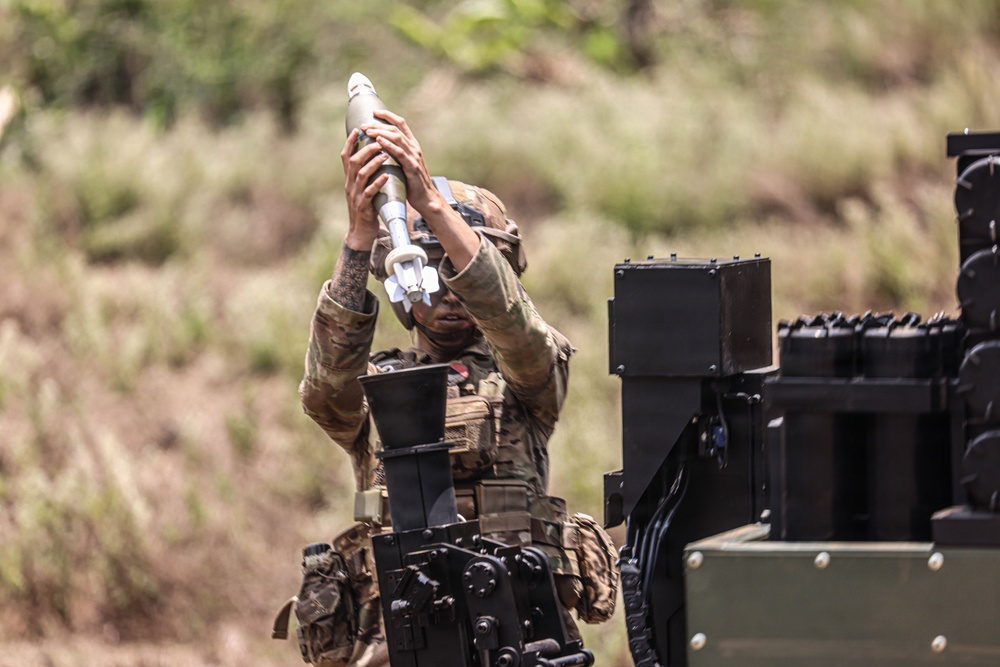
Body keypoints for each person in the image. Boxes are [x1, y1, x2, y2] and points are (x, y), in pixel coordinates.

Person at [278, 108, 616, 667]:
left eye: (458, 264)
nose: (451, 291)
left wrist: (431, 207)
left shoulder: (525, 377)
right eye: (431, 269)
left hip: (516, 634)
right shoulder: (377, 390)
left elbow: (518, 330)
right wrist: (361, 237)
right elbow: (324, 391)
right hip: (403, 639)